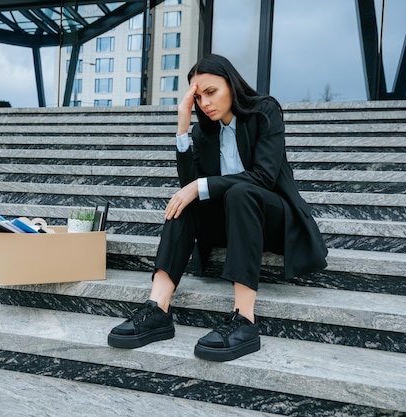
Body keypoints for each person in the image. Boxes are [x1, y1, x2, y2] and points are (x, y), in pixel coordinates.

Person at [108, 54, 328, 362]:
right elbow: (190, 186)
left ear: (231, 85)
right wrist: (183, 127)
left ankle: (245, 320)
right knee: (183, 202)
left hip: (273, 220)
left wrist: (201, 186)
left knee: (239, 192)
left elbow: (264, 177)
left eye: (211, 92)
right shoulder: (204, 132)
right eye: (198, 97)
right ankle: (156, 309)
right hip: (230, 224)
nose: (205, 102)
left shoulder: (265, 113)